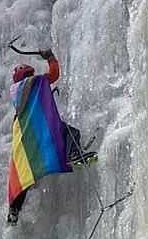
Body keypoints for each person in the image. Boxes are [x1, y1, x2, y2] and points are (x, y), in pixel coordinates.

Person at [7, 49, 96, 226]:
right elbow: (54, 74)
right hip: (39, 126)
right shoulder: (36, 82)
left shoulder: (15, 94)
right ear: (29, 74)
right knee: (71, 133)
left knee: (24, 169)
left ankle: (14, 210)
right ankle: (74, 156)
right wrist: (50, 57)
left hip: (24, 133)